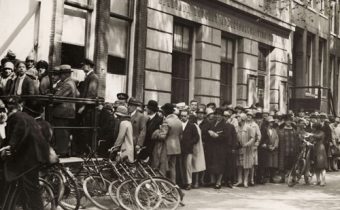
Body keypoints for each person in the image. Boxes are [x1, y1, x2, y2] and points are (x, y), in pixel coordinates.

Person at [1, 97, 50, 210]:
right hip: (33, 156)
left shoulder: (17, 117)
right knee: (27, 188)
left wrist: (10, 147)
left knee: (31, 188)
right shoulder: (24, 117)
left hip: (29, 159)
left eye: (2, 110)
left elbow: (16, 135)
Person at [52, 65, 78, 156]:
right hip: (66, 113)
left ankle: (62, 152)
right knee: (63, 132)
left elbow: (58, 97)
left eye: (61, 74)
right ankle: (63, 151)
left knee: (61, 133)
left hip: (63, 113)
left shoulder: (67, 84)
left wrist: (52, 94)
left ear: (65, 74)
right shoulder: (71, 82)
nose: (60, 76)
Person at [76, 59, 99, 154]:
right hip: (86, 108)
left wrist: (83, 107)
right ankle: (85, 151)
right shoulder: (88, 77)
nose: (82, 67)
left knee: (87, 130)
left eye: (84, 65)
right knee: (83, 129)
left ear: (89, 66)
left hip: (88, 109)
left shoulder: (93, 77)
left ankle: (88, 152)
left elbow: (91, 93)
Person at [156, 103, 183, 184]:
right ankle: (173, 184)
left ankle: (162, 184)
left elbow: (162, 136)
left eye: (163, 110)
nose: (162, 112)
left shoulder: (166, 121)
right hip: (176, 147)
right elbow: (181, 135)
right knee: (172, 166)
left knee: (163, 167)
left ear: (166, 111)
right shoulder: (178, 121)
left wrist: (157, 133)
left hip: (167, 146)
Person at [205, 108, 229, 189]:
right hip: (212, 147)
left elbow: (226, 136)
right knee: (212, 163)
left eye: (220, 115)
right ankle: (213, 180)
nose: (218, 116)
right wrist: (209, 132)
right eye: (216, 114)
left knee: (220, 165)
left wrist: (218, 136)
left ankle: (218, 182)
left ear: (222, 116)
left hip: (220, 148)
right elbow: (206, 130)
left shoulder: (225, 124)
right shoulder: (212, 123)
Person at [179, 109, 199, 190]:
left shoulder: (192, 125)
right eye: (182, 116)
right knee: (181, 166)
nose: (183, 117)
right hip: (179, 149)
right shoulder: (179, 124)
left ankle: (189, 183)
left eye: (184, 116)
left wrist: (190, 143)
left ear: (188, 116)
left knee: (188, 166)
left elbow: (196, 137)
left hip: (188, 149)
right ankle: (182, 182)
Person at [234, 113, 255, 188]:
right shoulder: (236, 127)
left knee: (246, 166)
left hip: (247, 149)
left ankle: (245, 180)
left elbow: (253, 138)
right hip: (239, 149)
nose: (237, 119)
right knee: (239, 165)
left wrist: (247, 144)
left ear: (243, 119)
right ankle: (240, 180)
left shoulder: (249, 128)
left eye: (239, 118)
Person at [278, 115, 299, 182]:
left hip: (293, 150)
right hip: (284, 150)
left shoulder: (294, 130)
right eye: (287, 120)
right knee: (283, 164)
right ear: (285, 121)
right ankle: (282, 178)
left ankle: (293, 177)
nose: (289, 122)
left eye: (290, 120)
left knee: (293, 164)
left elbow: (297, 139)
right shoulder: (281, 130)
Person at [191, 107, 206, 188]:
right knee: (195, 163)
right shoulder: (193, 122)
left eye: (202, 113)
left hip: (204, 145)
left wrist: (204, 141)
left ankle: (201, 180)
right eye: (199, 113)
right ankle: (195, 181)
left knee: (201, 163)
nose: (200, 115)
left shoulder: (207, 123)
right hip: (196, 145)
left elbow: (207, 133)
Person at [246, 111, 261, 186]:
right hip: (245, 146)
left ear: (252, 117)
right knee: (245, 163)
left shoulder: (255, 125)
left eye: (250, 115)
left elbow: (258, 135)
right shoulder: (244, 123)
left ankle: (251, 179)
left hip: (252, 146)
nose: (249, 116)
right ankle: (245, 179)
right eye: (248, 115)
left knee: (252, 164)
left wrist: (256, 144)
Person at [223, 109, 238, 188]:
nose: (225, 118)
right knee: (222, 164)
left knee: (229, 164)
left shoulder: (231, 126)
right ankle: (221, 180)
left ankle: (228, 180)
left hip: (229, 148)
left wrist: (233, 147)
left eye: (227, 116)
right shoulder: (220, 125)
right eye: (224, 116)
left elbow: (234, 137)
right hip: (221, 148)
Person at [263, 116, 279, 183]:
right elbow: (264, 139)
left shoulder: (274, 130)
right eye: (270, 122)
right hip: (267, 148)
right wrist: (268, 146)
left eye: (272, 122)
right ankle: (267, 177)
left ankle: (272, 177)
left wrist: (275, 146)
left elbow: (277, 138)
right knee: (268, 163)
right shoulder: (265, 130)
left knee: (273, 164)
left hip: (274, 149)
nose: (271, 123)